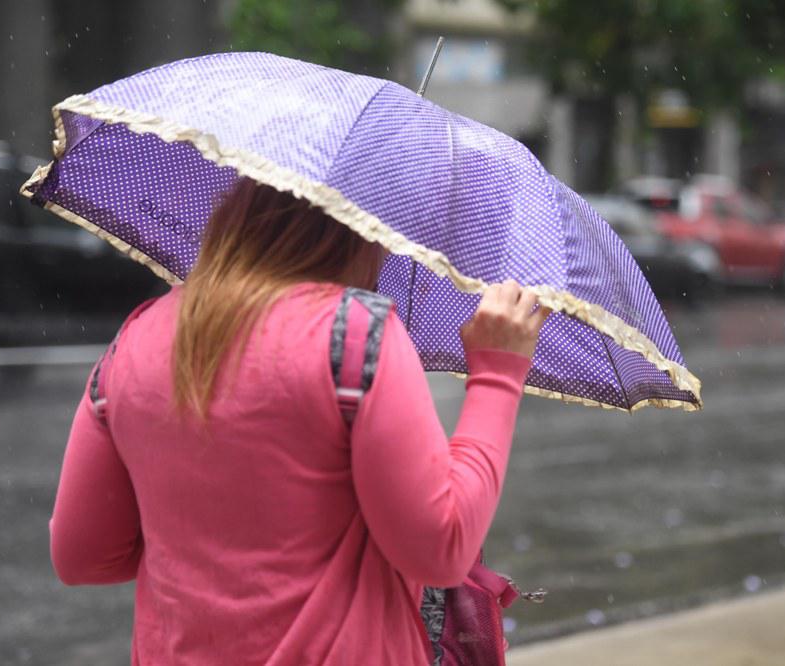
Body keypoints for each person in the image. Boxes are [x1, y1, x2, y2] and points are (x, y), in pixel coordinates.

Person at [49, 177, 550, 665]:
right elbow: (441, 548)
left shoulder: (134, 340)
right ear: (356, 233)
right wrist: (497, 374)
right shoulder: (356, 333)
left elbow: (82, 556)